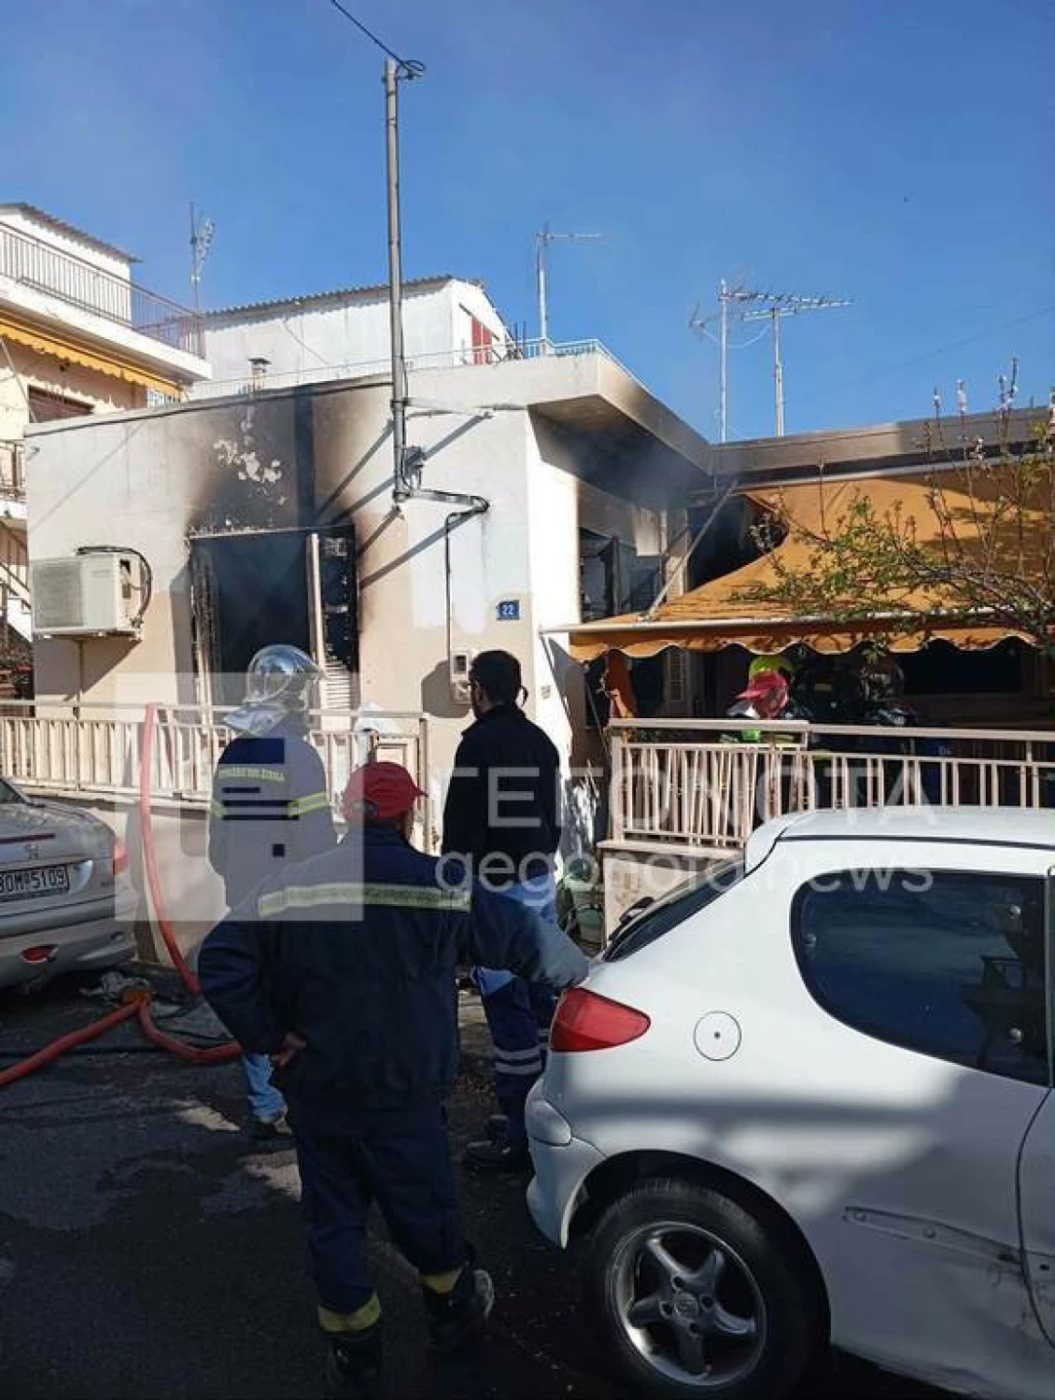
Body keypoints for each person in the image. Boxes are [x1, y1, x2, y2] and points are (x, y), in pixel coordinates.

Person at [198, 761, 587, 1399]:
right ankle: (452, 1317)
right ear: (407, 816)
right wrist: (591, 975)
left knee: (333, 1223)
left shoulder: (289, 887)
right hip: (403, 1095)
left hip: (320, 1091)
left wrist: (270, 1033)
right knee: (426, 1211)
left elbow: (219, 961)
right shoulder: (443, 885)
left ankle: (355, 1355)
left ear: (347, 814)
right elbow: (532, 946)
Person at [207, 643, 336, 1139]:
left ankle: (264, 1105)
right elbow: (315, 840)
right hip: (290, 900)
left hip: (243, 893)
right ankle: (298, 1100)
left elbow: (218, 839)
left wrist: (239, 873)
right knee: (299, 1001)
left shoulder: (232, 753)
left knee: (254, 997)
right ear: (293, 695)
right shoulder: (299, 756)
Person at [441, 650, 563, 1170]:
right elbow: (554, 819)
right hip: (539, 883)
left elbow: (462, 830)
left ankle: (518, 1131)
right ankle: (546, 1115)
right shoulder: (541, 741)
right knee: (541, 1005)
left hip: (498, 893)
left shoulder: (477, 745)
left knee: (507, 1010)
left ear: (480, 690)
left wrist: (453, 897)